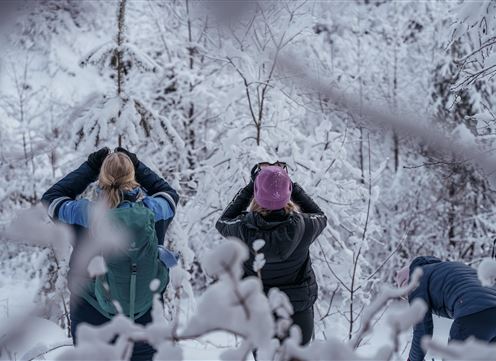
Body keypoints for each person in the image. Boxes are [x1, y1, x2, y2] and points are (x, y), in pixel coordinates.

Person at [41, 147, 179, 361]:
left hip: (91, 321)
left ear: (101, 179)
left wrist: (89, 168)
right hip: (145, 322)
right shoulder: (154, 212)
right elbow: (169, 194)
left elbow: (51, 199)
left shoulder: (84, 214)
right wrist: (137, 165)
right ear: (134, 179)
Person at [215, 162, 327, 345]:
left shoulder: (242, 229)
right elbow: (320, 215)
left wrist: (254, 184)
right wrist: (289, 183)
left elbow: (223, 221)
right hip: (298, 312)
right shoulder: (305, 227)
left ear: (257, 194)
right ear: (288, 192)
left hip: (259, 313)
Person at [397, 256, 496, 361]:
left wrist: (412, 360)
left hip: (473, 314)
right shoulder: (448, 268)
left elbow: (422, 330)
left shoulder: (416, 280)